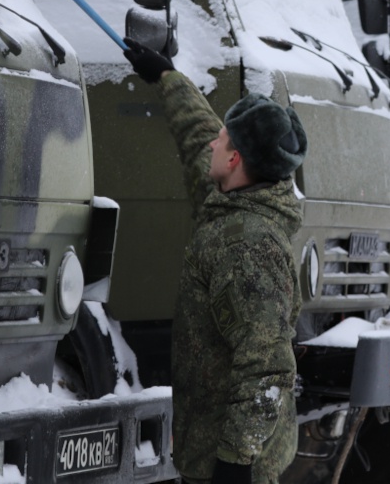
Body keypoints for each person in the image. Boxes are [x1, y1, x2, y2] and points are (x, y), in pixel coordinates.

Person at [123, 38, 307, 484]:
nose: (212, 143)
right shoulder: (235, 198)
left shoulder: (245, 247)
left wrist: (235, 463)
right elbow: (196, 134)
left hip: (229, 466)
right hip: (215, 456)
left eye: (223, 139)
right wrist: (167, 77)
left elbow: (267, 366)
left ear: (236, 158)